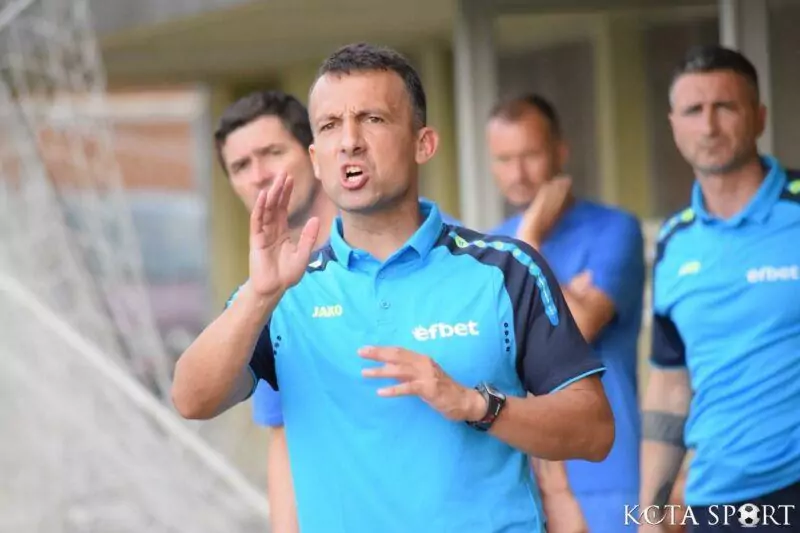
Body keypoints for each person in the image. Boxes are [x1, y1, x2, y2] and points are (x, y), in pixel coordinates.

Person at [173, 42, 615, 533]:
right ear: (316, 158)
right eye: (330, 125)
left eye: (373, 119)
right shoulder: (283, 291)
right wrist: (258, 296)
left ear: (423, 143)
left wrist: (477, 405)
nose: (350, 141)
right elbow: (192, 399)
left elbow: (594, 430)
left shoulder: (506, 270)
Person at [640, 45, 800, 532]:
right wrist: (650, 514)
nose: (708, 126)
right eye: (693, 110)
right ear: (674, 125)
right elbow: (670, 386)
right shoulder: (674, 241)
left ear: (759, 117)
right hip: (717, 501)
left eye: (725, 107)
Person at [485, 94, 645, 532]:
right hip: (522, 474)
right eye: (504, 159)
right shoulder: (491, 247)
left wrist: (529, 242)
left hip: (606, 471)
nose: (517, 173)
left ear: (560, 152)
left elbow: (579, 326)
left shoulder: (615, 230)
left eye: (530, 155)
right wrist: (566, 286)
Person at [212, 89, 337, 533]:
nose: (260, 176)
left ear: (314, 155)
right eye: (240, 166)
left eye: (272, 153)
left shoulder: (415, 249)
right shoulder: (265, 294)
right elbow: (284, 437)